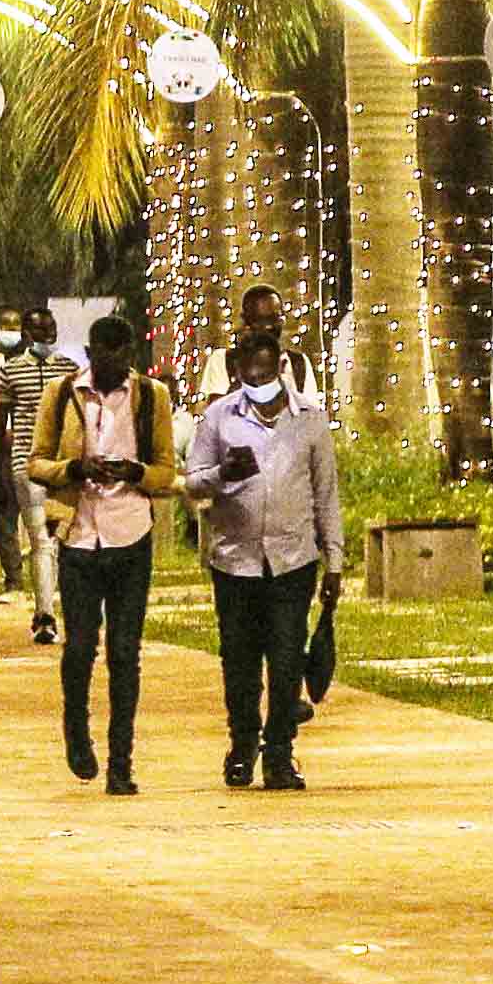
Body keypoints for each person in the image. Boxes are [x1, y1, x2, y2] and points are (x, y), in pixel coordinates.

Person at [190, 321, 341, 791]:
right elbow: (191, 481)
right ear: (237, 372)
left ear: (281, 367)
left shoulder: (310, 421)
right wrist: (221, 473)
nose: (259, 385)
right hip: (235, 561)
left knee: (285, 660)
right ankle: (242, 747)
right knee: (239, 661)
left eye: (266, 375)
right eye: (250, 378)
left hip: (293, 560)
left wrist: (334, 561)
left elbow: (326, 495)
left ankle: (280, 752)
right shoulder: (219, 418)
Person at [36, 312, 179, 793]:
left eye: (123, 358)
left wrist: (132, 472)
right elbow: (36, 462)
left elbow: (166, 473)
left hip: (130, 535)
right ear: (91, 354)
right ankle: (77, 731)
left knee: (124, 653)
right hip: (79, 535)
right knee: (79, 648)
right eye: (104, 357)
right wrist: (76, 468)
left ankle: (122, 763)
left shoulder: (151, 398)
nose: (114, 367)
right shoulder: (61, 395)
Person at [0, 307, 62, 641]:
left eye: (50, 328)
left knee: (57, 540)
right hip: (24, 464)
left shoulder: (69, 370)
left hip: (61, 467)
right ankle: (44, 614)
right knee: (39, 537)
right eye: (38, 330)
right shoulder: (4, 371)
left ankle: (60, 604)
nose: (46, 335)